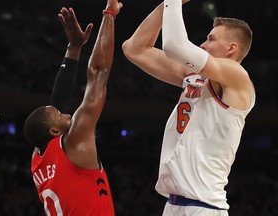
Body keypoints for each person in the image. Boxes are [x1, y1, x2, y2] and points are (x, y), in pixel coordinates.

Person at [122, 0, 255, 215]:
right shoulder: (194, 75)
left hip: (204, 206)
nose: (203, 44)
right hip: (175, 204)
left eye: (211, 39)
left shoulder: (236, 76)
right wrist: (164, 5)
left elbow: (175, 46)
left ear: (232, 48)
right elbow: (134, 49)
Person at [23, 0, 123, 215]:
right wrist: (109, 14)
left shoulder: (38, 158)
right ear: (54, 131)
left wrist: (74, 48)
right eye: (61, 115)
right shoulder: (76, 139)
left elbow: (55, 107)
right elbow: (98, 73)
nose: (67, 113)